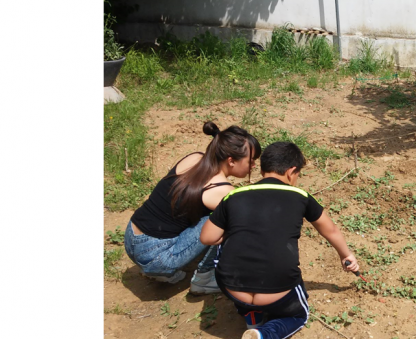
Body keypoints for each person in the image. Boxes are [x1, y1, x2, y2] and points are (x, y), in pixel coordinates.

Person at [200, 141, 360, 339]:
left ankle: (251, 313)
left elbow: (207, 237)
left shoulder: (234, 195)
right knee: (298, 316)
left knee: (224, 245)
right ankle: (263, 334)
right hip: (278, 291)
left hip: (232, 287)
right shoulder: (301, 196)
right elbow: (331, 231)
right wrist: (347, 255)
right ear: (291, 171)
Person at [123, 122, 260, 294]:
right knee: (229, 221)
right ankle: (204, 278)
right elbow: (254, 216)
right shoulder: (221, 190)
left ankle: (157, 269)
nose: (253, 166)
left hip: (131, 238)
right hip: (156, 257)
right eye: (251, 161)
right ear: (231, 160)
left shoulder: (195, 158)